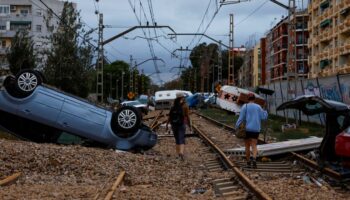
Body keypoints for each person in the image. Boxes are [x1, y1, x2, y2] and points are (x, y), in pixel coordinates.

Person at [235, 93, 268, 168]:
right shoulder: (258, 107)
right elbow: (264, 117)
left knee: (247, 146)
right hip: (256, 129)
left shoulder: (245, 106)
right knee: (254, 145)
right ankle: (254, 159)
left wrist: (237, 126)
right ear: (254, 99)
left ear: (247, 99)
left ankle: (248, 162)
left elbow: (241, 118)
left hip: (247, 129)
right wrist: (265, 111)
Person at [166, 92, 192, 160]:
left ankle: (177, 154)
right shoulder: (185, 105)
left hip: (174, 124)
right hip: (182, 124)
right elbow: (187, 116)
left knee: (177, 139)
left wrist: (167, 124)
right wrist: (190, 125)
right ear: (182, 97)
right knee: (182, 138)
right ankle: (181, 152)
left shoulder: (173, 105)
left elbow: (170, 116)